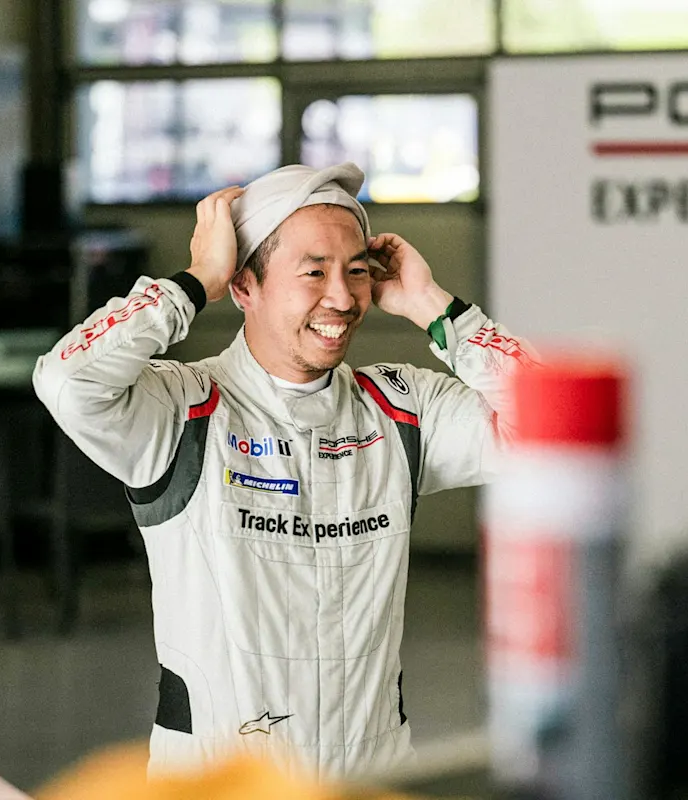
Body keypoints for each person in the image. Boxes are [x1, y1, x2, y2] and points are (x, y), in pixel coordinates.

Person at [33, 163, 538, 782]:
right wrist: (194, 283)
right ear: (245, 287)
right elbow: (64, 379)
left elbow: (552, 422)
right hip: (222, 789)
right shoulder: (181, 409)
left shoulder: (402, 410)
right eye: (314, 272)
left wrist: (439, 310)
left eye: (356, 270)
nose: (343, 298)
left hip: (369, 780)